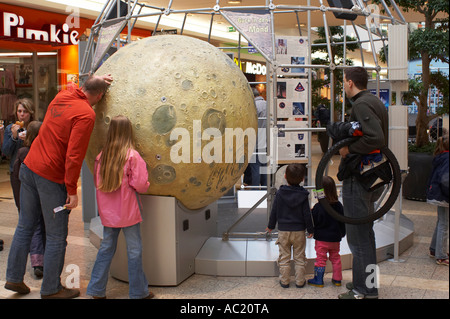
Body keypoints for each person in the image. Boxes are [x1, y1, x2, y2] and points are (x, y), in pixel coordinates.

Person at [4, 74, 112, 299]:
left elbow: (82, 87)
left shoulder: (64, 94)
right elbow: (74, 155)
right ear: (100, 96)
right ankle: (52, 289)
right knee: (55, 236)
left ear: (82, 85)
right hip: (50, 178)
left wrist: (97, 78)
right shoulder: (86, 114)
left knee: (25, 226)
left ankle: (14, 277)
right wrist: (72, 190)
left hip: (29, 167)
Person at [87, 115, 153, 299]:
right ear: (129, 131)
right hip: (128, 212)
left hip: (108, 214)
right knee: (134, 251)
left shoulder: (102, 156)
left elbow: (97, 182)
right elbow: (141, 184)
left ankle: (97, 289)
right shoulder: (132, 155)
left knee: (106, 248)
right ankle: (138, 292)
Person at [337, 67, 388, 299]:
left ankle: (364, 289)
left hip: (359, 178)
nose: (342, 87)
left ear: (349, 83)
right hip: (370, 178)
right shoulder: (373, 101)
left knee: (357, 238)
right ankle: (365, 282)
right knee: (365, 234)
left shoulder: (360, 104)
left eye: (342, 83)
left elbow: (375, 138)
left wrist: (348, 149)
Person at [266, 163, 314, 288]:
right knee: (299, 257)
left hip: (283, 231)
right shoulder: (303, 195)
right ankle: (300, 281)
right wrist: (310, 229)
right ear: (303, 179)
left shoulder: (280, 193)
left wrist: (270, 226)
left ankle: (285, 281)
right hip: (299, 231)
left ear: (285, 176)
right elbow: (307, 214)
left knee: (284, 257)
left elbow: (274, 211)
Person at [11, 121, 44, 278]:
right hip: (42, 196)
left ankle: (34, 263)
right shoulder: (44, 153)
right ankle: (40, 261)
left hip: (26, 197)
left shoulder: (23, 152)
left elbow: (18, 178)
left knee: (28, 226)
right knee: (42, 226)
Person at [308, 176, 346, 288]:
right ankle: (337, 279)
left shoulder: (318, 207)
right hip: (335, 239)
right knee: (336, 258)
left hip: (321, 240)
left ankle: (318, 280)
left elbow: (314, 221)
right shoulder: (339, 206)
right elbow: (342, 221)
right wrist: (342, 233)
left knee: (320, 259)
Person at [2, 98, 35, 209]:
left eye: (25, 111)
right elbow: (6, 152)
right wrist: (14, 137)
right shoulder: (10, 129)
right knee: (20, 204)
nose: (22, 115)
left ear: (30, 113)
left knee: (34, 204)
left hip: (34, 170)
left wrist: (30, 139)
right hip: (16, 170)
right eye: (19, 111)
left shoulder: (36, 128)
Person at [427, 133, 449, 266]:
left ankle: (435, 249)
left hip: (437, 194)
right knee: (444, 224)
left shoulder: (441, 156)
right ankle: (441, 255)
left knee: (441, 222)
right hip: (443, 195)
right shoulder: (448, 158)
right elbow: (446, 179)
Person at [245, 87, 268, 187]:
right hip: (266, 141)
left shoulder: (253, 106)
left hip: (256, 141)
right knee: (264, 167)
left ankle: (255, 191)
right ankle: (264, 191)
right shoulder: (268, 104)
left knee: (255, 168)